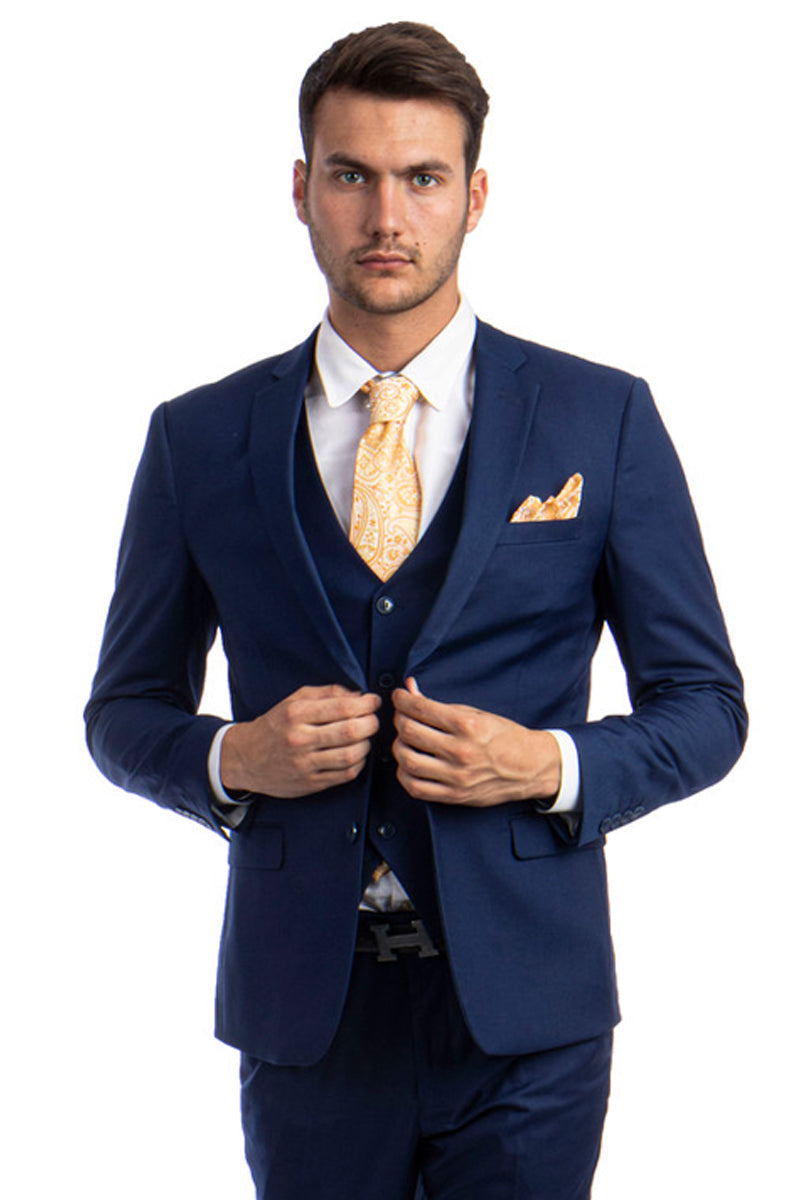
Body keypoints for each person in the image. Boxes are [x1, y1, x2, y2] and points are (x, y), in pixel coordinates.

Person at [85, 21, 747, 1200]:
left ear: (474, 197)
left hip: (528, 1017)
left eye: (422, 178)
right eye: (351, 176)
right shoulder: (197, 439)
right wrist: (235, 758)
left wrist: (546, 764)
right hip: (307, 1015)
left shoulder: (599, 418)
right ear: (301, 189)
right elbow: (122, 712)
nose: (385, 217)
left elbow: (705, 706)